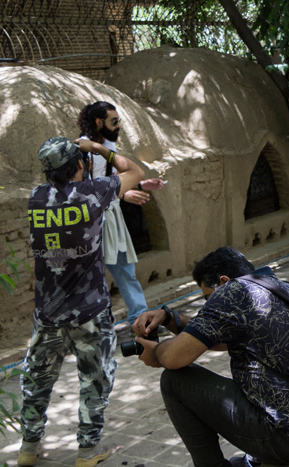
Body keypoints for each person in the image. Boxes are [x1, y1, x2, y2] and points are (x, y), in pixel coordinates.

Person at [131, 247, 289, 467]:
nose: (209, 304)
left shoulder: (233, 291)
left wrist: (156, 352)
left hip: (285, 441)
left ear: (223, 281)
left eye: (208, 298)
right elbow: (219, 339)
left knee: (173, 381)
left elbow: (172, 358)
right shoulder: (281, 287)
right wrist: (169, 318)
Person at [18, 137, 143, 467]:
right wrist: (99, 150)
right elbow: (136, 172)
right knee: (94, 379)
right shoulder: (94, 192)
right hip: (90, 311)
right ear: (78, 164)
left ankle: (28, 447)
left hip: (48, 311)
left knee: (37, 380)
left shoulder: (36, 197)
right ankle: (88, 450)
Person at [77, 101, 164, 326]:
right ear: (99, 122)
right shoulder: (82, 149)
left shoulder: (107, 146)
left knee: (125, 270)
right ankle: (94, 327)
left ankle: (140, 319)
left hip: (112, 217)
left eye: (118, 121)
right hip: (91, 220)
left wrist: (139, 185)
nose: (118, 126)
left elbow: (112, 179)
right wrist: (123, 194)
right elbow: (86, 188)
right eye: (113, 121)